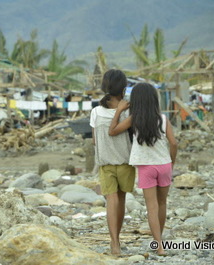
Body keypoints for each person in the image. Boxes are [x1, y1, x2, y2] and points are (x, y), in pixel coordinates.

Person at [109, 82, 178, 256]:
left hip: (146, 167)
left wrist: (118, 110)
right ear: (154, 100)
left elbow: (113, 131)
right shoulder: (163, 119)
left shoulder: (134, 119)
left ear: (136, 101)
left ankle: (159, 246)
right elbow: (174, 143)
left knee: (152, 207)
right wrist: (172, 162)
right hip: (164, 165)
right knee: (162, 204)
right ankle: (159, 242)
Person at [90, 69, 135, 255]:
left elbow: (94, 140)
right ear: (123, 88)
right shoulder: (129, 111)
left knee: (111, 201)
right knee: (121, 200)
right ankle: (117, 239)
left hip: (105, 163)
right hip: (125, 161)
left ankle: (114, 243)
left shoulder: (96, 112)